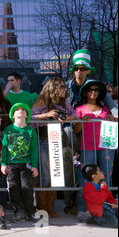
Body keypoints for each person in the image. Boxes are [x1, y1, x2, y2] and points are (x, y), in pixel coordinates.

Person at [31, 77, 77, 218]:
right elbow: (29, 116)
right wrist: (46, 114)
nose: (65, 89)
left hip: (58, 138)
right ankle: (42, 208)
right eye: (62, 86)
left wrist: (65, 119)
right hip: (43, 139)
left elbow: (74, 115)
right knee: (45, 174)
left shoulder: (64, 102)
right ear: (53, 88)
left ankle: (50, 207)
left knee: (56, 172)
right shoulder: (41, 100)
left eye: (64, 86)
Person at [0, 103, 39, 222]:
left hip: (25, 163)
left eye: (23, 109)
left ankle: (30, 211)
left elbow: (33, 150)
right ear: (13, 114)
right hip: (11, 164)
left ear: (27, 114)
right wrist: (3, 164)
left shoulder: (31, 131)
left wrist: (34, 166)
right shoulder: (9, 129)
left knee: (27, 188)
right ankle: (19, 211)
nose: (21, 111)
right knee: (13, 188)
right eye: (17, 109)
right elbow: (4, 148)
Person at [74, 81, 116, 187]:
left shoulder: (106, 109)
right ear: (85, 93)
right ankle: (85, 203)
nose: (93, 92)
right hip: (87, 147)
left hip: (106, 146)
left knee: (106, 175)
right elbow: (75, 130)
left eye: (95, 90)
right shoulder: (79, 109)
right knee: (86, 176)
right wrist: (81, 121)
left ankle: (107, 203)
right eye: (90, 90)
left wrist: (111, 118)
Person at [66, 49, 117, 118]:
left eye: (82, 69)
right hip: (68, 125)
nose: (79, 71)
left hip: (88, 124)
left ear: (88, 71)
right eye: (76, 68)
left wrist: (116, 114)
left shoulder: (95, 86)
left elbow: (111, 104)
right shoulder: (64, 87)